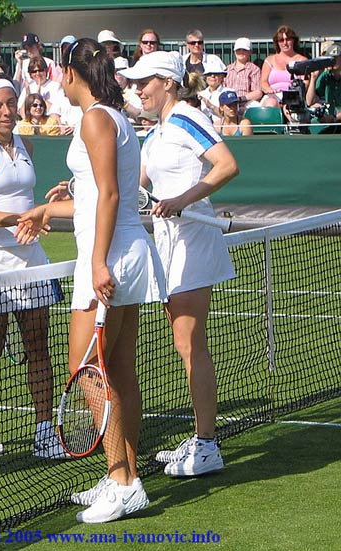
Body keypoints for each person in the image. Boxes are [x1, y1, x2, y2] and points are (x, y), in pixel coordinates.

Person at [16, 38, 166, 523]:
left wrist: (98, 262)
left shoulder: (96, 118)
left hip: (110, 260)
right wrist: (49, 206)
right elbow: (95, 194)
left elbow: (111, 195)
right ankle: (127, 477)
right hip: (122, 254)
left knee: (85, 371)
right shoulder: (111, 118)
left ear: (69, 74)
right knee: (118, 372)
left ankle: (122, 481)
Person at [121, 50, 239, 477]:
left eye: (144, 82)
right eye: (134, 84)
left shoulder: (188, 116)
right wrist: (79, 190)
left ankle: (207, 445)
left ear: (168, 83)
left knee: (190, 342)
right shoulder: (156, 133)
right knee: (183, 342)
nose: (137, 90)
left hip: (194, 239)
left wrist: (181, 201)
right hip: (169, 243)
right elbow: (136, 185)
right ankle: (200, 436)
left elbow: (227, 165)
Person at [0, 73, 67, 460]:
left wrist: (41, 211)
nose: (6, 112)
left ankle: (44, 431)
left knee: (39, 345)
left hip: (31, 259)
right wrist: (20, 218)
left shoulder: (27, 145)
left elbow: (27, 199)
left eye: (10, 103)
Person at [260, 25, 308, 107]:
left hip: (293, 98)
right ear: (277, 42)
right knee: (271, 103)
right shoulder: (270, 60)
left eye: (288, 39)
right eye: (281, 40)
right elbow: (263, 82)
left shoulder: (302, 60)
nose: (285, 43)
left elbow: (305, 83)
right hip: (272, 97)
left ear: (293, 40)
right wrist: (269, 90)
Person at [307, 43, 341, 131]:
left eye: (334, 58)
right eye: (328, 58)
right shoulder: (326, 76)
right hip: (333, 120)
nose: (330, 61)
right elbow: (310, 102)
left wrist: (334, 117)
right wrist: (313, 78)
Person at [224, 38, 263, 107]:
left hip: (247, 103)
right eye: (238, 50)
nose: (241, 52)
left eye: (244, 50)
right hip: (228, 102)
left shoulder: (254, 69)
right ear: (234, 51)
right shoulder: (227, 69)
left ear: (250, 52)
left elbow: (258, 92)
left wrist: (240, 99)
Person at [197, 59, 228, 124]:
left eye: (216, 74)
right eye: (209, 74)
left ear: (222, 77)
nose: (212, 76)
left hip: (222, 128)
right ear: (205, 77)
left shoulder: (228, 93)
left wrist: (211, 106)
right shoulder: (200, 94)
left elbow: (229, 117)